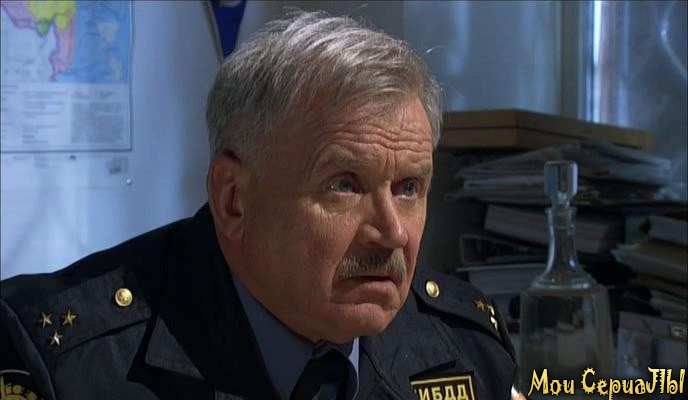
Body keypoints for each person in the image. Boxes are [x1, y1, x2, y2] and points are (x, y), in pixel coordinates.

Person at [0, 10, 516, 400]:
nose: (393, 232)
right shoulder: (61, 361)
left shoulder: (467, 345)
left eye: (408, 189)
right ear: (234, 200)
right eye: (344, 185)